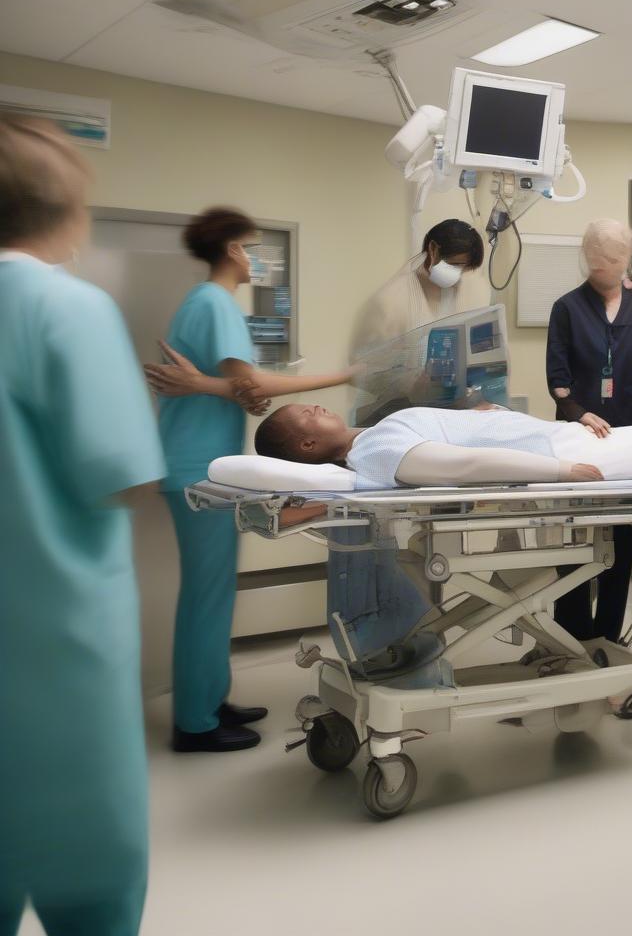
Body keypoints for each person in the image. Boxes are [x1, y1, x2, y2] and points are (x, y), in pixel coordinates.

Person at [0, 116, 164, 935]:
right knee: (90, 896)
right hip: (57, 657)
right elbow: (121, 471)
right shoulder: (70, 309)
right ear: (66, 212)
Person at [143, 207, 360, 753]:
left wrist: (222, 387)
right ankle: (195, 722)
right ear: (235, 250)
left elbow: (239, 388)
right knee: (206, 596)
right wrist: (346, 374)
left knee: (213, 593)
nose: (256, 258)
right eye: (252, 248)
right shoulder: (215, 302)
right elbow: (249, 382)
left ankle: (212, 700)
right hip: (196, 467)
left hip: (196, 462)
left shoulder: (205, 303)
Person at [545, 219, 632, 642]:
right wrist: (579, 413)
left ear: (626, 260)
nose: (601, 269)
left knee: (622, 542)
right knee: (575, 539)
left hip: (631, 434)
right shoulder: (567, 307)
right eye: (594, 260)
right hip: (581, 437)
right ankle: (571, 636)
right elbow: (558, 379)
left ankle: (607, 639)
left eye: (610, 261)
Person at [252, 402, 632, 488]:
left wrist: (482, 414)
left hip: (563, 437)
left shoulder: (376, 431)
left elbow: (461, 437)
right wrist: (562, 473)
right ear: (305, 444)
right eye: (309, 414)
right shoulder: (373, 452)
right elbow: (461, 464)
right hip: (565, 456)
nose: (319, 406)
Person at [349, 218, 489, 359]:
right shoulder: (390, 302)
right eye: (455, 265)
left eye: (466, 268)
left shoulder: (472, 290)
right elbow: (361, 367)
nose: (459, 275)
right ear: (433, 249)